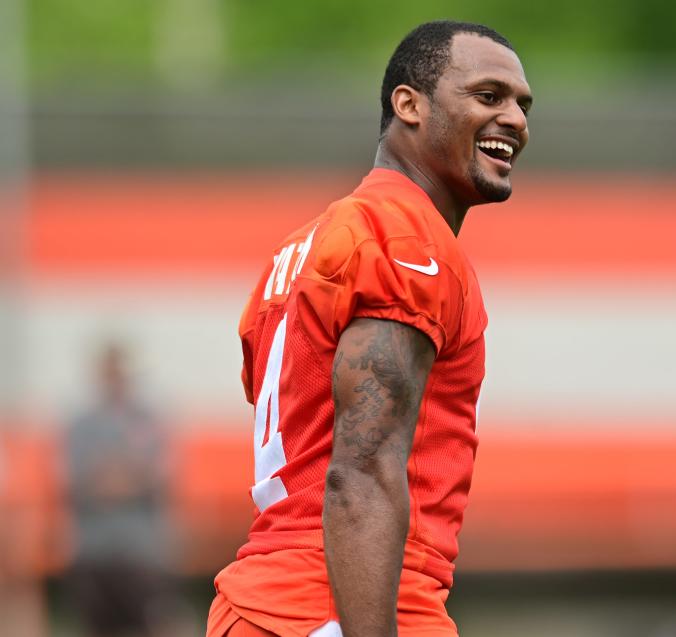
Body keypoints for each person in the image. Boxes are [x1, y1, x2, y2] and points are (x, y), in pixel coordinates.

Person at [206, 20, 532, 637]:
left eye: (522, 104)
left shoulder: (301, 249)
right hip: (337, 604)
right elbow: (362, 467)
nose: (514, 118)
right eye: (489, 96)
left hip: (263, 602)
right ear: (408, 104)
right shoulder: (403, 238)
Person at [65, 341, 175, 637]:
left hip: (140, 549)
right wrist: (126, 476)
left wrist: (112, 477)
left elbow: (159, 477)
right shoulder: (81, 425)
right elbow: (76, 480)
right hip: (94, 549)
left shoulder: (148, 421)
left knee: (148, 624)